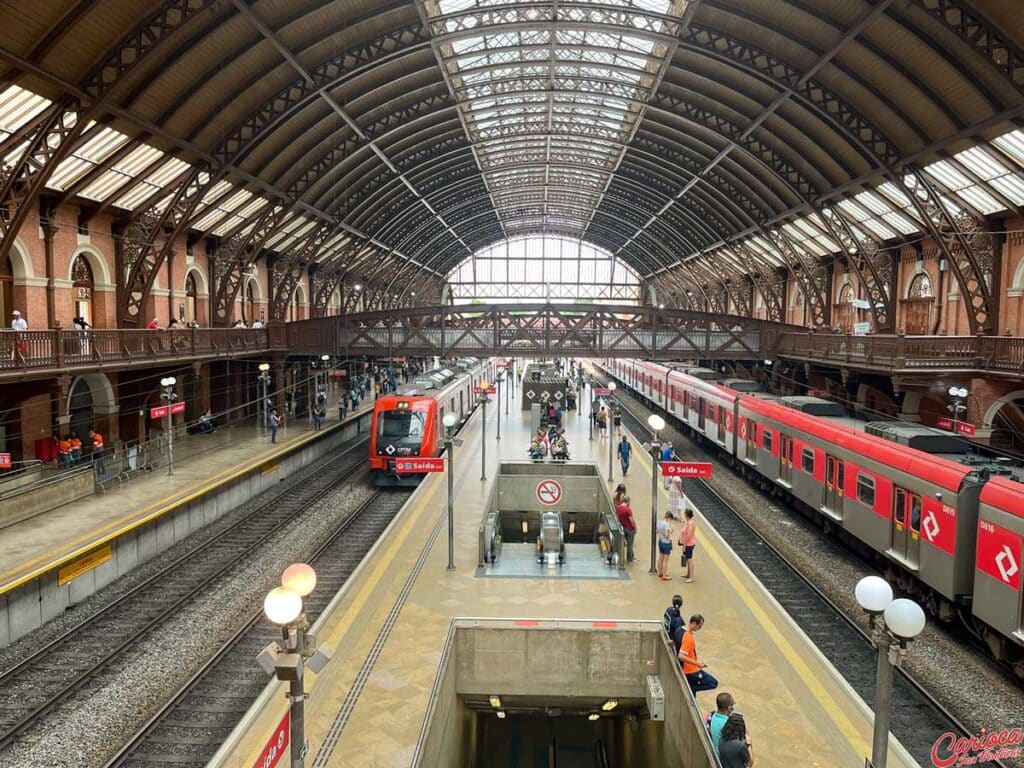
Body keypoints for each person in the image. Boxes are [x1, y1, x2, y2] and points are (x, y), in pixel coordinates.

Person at [678, 614, 718, 694]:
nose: (699, 629)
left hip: (686, 669)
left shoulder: (679, 630)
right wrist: (698, 664)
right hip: (690, 670)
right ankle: (691, 689)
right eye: (699, 626)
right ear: (694, 624)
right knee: (713, 683)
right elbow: (681, 656)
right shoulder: (688, 637)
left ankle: (691, 689)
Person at [615, 495, 637, 563]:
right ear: (628, 502)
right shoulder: (628, 509)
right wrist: (635, 528)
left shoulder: (618, 508)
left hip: (622, 527)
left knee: (626, 543)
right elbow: (631, 520)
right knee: (630, 545)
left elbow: (617, 517)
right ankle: (630, 559)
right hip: (629, 529)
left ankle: (632, 557)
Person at [679, 507, 697, 582]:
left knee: (689, 559)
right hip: (690, 543)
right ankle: (688, 574)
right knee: (688, 558)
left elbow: (688, 535)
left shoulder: (690, 523)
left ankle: (691, 577)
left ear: (686, 515)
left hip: (689, 544)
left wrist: (684, 545)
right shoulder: (691, 521)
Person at [657, 510, 673, 580]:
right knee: (665, 560)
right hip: (666, 543)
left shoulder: (659, 522)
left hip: (660, 541)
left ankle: (660, 572)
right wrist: (671, 531)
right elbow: (667, 536)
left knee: (660, 558)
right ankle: (664, 575)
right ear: (669, 518)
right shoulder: (666, 524)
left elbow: (657, 531)